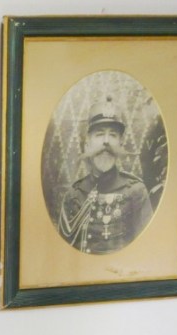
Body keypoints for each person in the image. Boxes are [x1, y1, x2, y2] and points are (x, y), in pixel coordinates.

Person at [57, 96, 154, 255]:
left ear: (121, 144)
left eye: (113, 135)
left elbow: (146, 253)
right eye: (100, 134)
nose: (106, 142)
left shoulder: (136, 192)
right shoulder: (74, 195)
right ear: (87, 142)